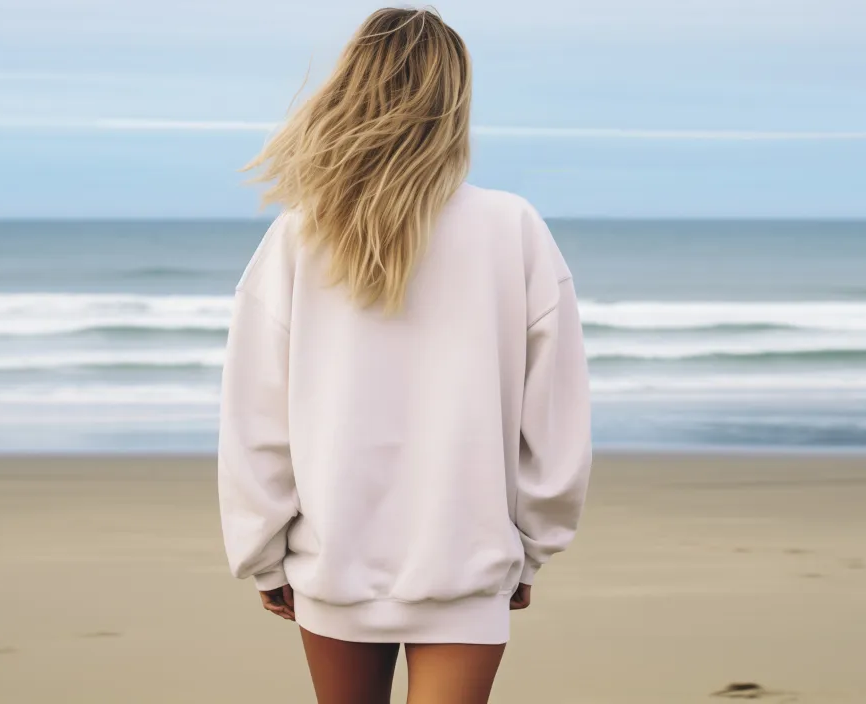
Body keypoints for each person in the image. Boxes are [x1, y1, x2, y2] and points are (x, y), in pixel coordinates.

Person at [218, 7, 592, 703]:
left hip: (331, 562)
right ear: (455, 102)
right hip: (466, 561)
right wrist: (534, 548)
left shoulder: (299, 235)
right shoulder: (513, 228)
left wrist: (262, 550)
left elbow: (255, 416)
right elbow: (557, 420)